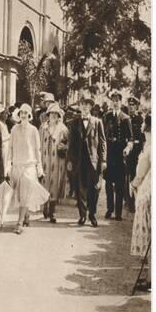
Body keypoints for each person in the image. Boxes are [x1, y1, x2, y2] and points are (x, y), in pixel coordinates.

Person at [6, 104, 49, 234]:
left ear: (29, 115)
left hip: (29, 166)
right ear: (19, 115)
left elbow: (37, 150)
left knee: (25, 192)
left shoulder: (34, 130)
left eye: (26, 113)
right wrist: (8, 166)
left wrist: (39, 167)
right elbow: (10, 148)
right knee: (19, 194)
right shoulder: (14, 129)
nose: (23, 115)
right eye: (21, 113)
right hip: (17, 165)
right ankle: (26, 215)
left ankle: (19, 223)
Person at [67, 97, 106, 227]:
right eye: (82, 104)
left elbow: (102, 142)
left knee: (94, 189)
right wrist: (70, 161)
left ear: (90, 107)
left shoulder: (97, 122)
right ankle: (82, 215)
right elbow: (71, 144)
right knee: (80, 188)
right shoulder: (74, 122)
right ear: (79, 107)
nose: (84, 107)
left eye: (87, 105)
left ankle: (92, 215)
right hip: (79, 161)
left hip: (93, 161)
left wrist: (103, 160)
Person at [103, 90, 133, 221]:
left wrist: (128, 148)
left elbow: (131, 139)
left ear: (121, 102)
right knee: (109, 184)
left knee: (120, 184)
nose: (115, 103)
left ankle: (118, 212)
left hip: (120, 155)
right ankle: (110, 209)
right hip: (109, 155)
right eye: (113, 100)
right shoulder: (106, 116)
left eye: (117, 100)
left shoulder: (126, 118)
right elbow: (102, 136)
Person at [130, 114, 152, 291]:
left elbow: (142, 170)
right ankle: (150, 277)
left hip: (150, 191)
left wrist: (134, 183)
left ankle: (151, 279)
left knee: (152, 236)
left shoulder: (150, 144)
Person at [39, 102, 68, 223]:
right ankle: (45, 206)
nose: (54, 116)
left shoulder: (63, 129)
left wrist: (63, 146)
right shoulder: (42, 128)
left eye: (56, 114)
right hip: (44, 159)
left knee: (55, 184)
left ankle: (52, 210)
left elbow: (68, 143)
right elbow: (38, 144)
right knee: (44, 182)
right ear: (48, 115)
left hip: (57, 161)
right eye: (52, 114)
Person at [125, 96, 145, 212]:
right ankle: (126, 200)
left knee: (133, 176)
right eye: (129, 105)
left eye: (133, 105)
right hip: (126, 151)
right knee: (124, 177)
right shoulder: (125, 118)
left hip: (136, 153)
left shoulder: (140, 119)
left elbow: (142, 138)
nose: (131, 107)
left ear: (136, 106)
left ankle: (132, 203)